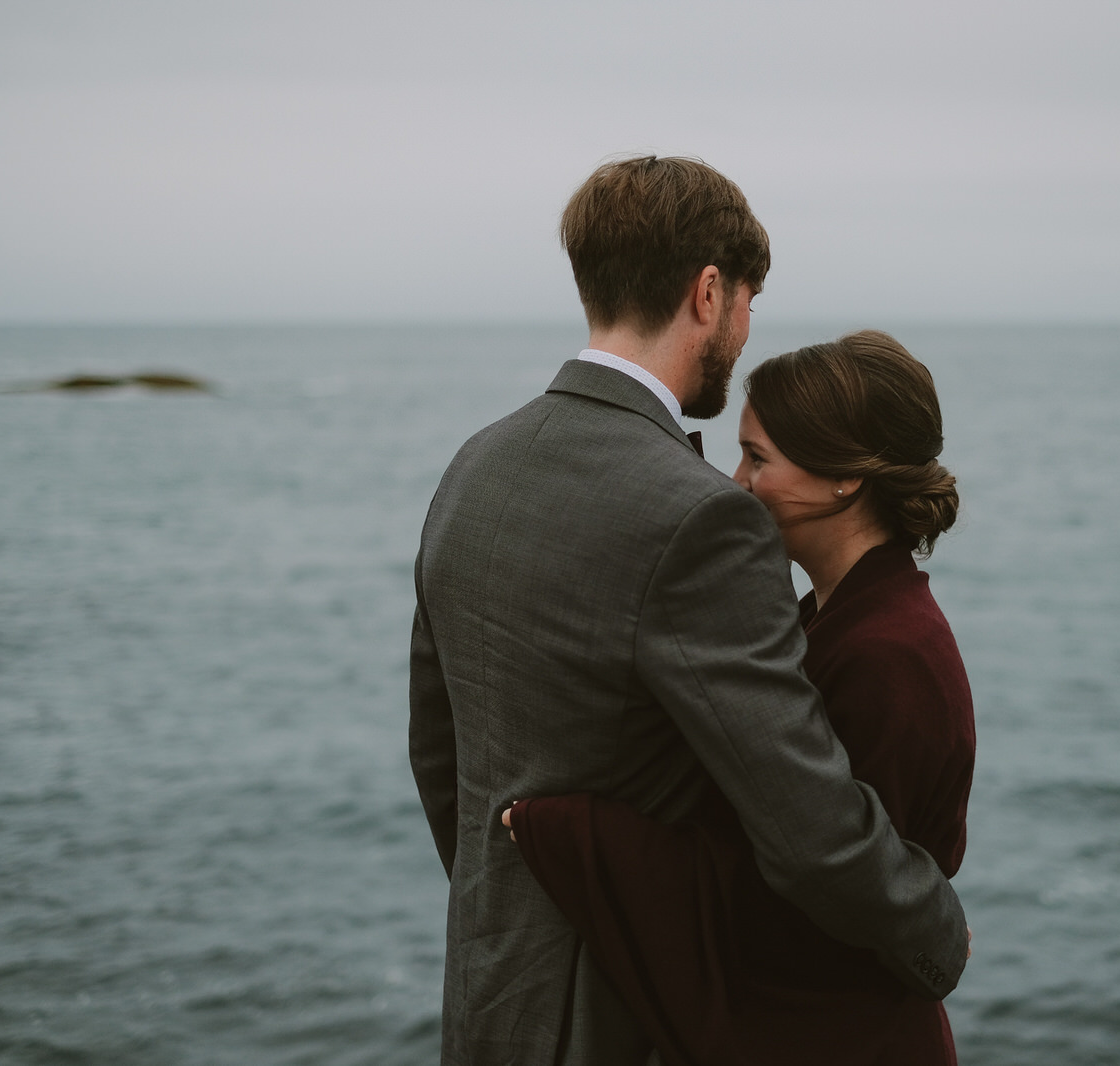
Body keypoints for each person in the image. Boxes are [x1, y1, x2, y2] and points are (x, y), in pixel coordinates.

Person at [409, 157, 970, 1066]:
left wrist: (516, 915)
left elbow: (441, 758)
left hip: (488, 1004)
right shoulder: (701, 516)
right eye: (749, 300)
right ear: (709, 293)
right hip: (619, 1020)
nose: (747, 330)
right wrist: (937, 930)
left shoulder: (475, 467)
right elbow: (806, 826)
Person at [506, 330, 976, 1066]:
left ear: (843, 478)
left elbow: (818, 901)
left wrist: (576, 833)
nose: (734, 480)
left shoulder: (890, 653)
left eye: (759, 458)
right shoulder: (830, 616)